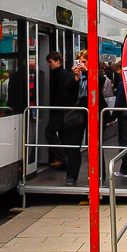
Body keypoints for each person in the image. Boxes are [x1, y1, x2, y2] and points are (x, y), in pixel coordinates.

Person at [45, 52, 83, 185]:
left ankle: (63, 158)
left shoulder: (62, 76)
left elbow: (65, 93)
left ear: (58, 61)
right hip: (63, 110)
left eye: (50, 62)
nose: (49, 65)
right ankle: (64, 159)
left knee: (50, 132)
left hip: (61, 110)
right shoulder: (63, 75)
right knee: (63, 137)